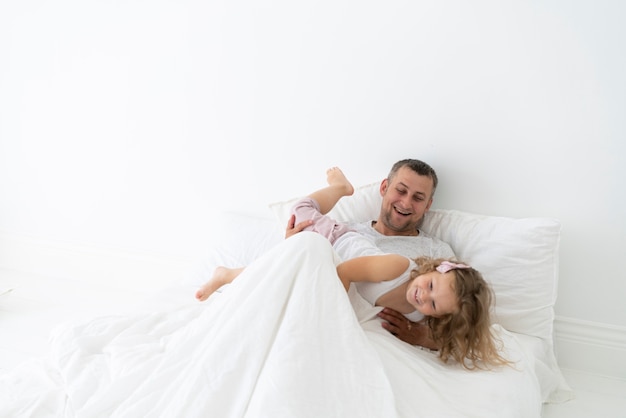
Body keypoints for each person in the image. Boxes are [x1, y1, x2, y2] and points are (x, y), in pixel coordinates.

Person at [196, 166, 508, 369]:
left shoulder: (440, 260)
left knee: (288, 282)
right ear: (384, 188)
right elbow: (342, 274)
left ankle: (227, 275)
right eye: (401, 190)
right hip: (337, 246)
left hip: (339, 274)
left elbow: (459, 326)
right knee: (302, 212)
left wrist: (420, 336)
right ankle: (339, 189)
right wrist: (293, 244)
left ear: (428, 205)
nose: (406, 202)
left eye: (418, 197)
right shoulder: (395, 262)